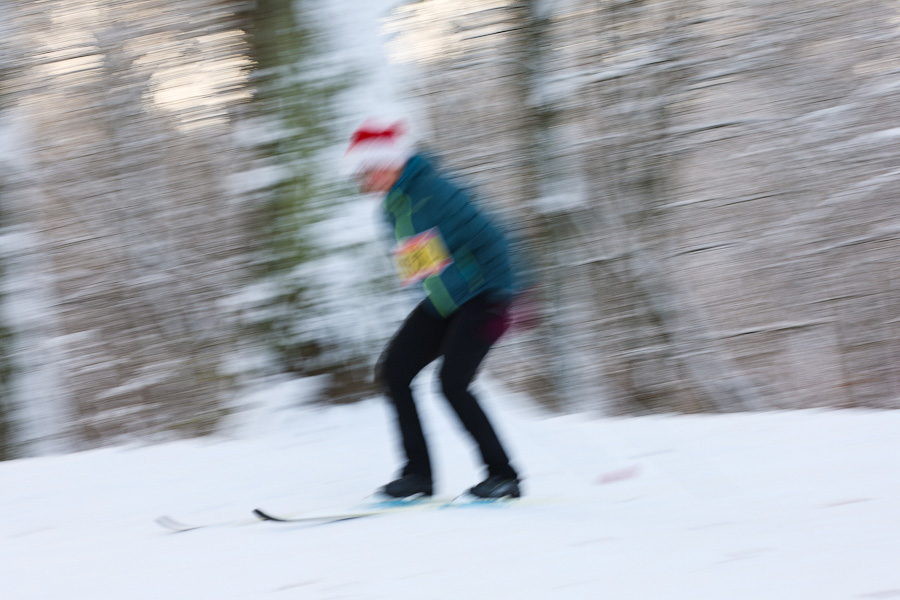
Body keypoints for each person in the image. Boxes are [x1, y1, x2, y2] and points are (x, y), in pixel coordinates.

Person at [344, 119, 521, 500]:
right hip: (445, 301)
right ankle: (418, 476)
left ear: (387, 164)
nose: (363, 180)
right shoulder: (391, 209)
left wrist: (512, 295)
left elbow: (495, 237)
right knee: (394, 372)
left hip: (486, 297)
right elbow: (423, 265)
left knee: (452, 383)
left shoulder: (435, 191)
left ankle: (503, 476)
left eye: (366, 171)